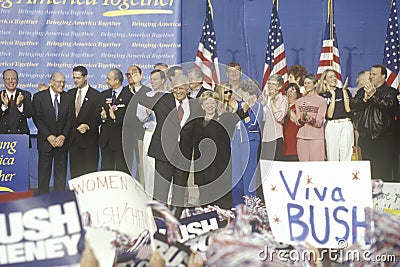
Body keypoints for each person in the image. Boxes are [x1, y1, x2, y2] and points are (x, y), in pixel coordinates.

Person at [138, 74, 196, 218]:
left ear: (188, 89)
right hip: (163, 153)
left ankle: (176, 223)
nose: (178, 91)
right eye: (175, 88)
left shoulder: (195, 104)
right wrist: (137, 83)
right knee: (160, 192)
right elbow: (142, 98)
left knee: (179, 192)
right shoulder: (162, 100)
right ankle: (158, 222)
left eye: (182, 88)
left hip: (183, 154)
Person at [191, 91, 248, 209]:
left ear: (217, 104)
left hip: (220, 168)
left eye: (212, 102)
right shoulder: (196, 123)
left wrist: (248, 102)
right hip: (203, 169)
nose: (209, 105)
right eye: (206, 103)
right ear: (202, 106)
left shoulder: (225, 118)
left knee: (222, 202)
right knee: (205, 202)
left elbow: (240, 114)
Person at [350, 64, 399, 181]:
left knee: (382, 170)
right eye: (370, 74)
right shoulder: (363, 91)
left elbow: (390, 106)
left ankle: (382, 197)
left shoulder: (390, 92)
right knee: (366, 172)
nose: (371, 77)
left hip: (383, 138)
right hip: (365, 137)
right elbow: (353, 105)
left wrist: (374, 95)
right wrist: (365, 99)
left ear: (383, 76)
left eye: (374, 74)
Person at [32, 72, 72, 194]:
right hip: (46, 142)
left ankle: (59, 202)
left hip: (62, 143)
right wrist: (48, 136)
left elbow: (70, 119)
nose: (62, 85)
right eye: (59, 82)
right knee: (44, 175)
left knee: (60, 176)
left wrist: (63, 136)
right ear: (51, 82)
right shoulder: (39, 97)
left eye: (64, 82)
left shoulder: (68, 97)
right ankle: (43, 200)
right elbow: (37, 119)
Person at [231, 79, 263, 206]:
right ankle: (236, 205)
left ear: (252, 95)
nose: (243, 96)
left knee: (249, 174)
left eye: (245, 93)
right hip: (236, 141)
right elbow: (231, 121)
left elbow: (252, 124)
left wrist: (243, 115)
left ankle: (251, 204)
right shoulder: (239, 106)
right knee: (236, 175)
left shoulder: (258, 107)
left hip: (250, 142)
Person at [136, 69, 167, 197]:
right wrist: (146, 113)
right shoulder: (146, 97)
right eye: (151, 79)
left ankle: (165, 197)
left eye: (155, 79)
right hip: (150, 133)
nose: (152, 82)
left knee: (164, 169)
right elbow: (140, 117)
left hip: (166, 136)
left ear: (163, 80)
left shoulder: (169, 96)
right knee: (149, 168)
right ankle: (149, 196)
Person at [68, 66, 100, 179]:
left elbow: (98, 117)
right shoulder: (70, 94)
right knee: (75, 176)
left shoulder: (96, 95)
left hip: (89, 142)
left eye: (78, 78)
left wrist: (88, 126)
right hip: (73, 142)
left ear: (85, 77)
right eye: (74, 78)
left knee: (90, 176)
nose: (75, 80)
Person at [99, 68, 132, 174]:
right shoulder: (103, 95)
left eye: (109, 78)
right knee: (106, 172)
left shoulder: (129, 96)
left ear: (117, 80)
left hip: (121, 141)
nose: (106, 81)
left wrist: (115, 118)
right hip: (106, 141)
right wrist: (103, 117)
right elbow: (99, 115)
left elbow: (130, 118)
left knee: (122, 172)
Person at [317, 69, 353, 161]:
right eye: (330, 77)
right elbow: (329, 115)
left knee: (347, 155)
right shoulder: (322, 96)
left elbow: (348, 109)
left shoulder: (344, 91)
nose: (334, 79)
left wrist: (344, 91)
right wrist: (333, 96)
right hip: (332, 125)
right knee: (332, 155)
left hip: (346, 124)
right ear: (324, 80)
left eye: (334, 76)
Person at [123, 65, 151, 182]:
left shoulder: (147, 91)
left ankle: (142, 188)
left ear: (141, 74)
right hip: (126, 134)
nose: (131, 76)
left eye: (134, 73)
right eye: (128, 74)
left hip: (141, 134)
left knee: (141, 164)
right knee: (125, 163)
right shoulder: (123, 92)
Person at [295, 74, 327, 161]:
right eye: (305, 83)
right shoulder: (299, 101)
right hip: (302, 137)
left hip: (316, 138)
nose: (306, 85)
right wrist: (302, 119)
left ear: (315, 84)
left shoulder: (321, 101)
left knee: (316, 166)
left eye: (309, 83)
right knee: (303, 165)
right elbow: (297, 122)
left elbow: (319, 122)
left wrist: (310, 119)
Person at [259, 74, 288, 160]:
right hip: (264, 137)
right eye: (269, 84)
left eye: (273, 84)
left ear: (279, 86)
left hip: (275, 137)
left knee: (274, 165)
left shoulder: (282, 100)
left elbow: (279, 117)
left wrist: (272, 102)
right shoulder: (264, 98)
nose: (270, 86)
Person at [0, 69, 33, 138]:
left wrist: (20, 105)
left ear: (17, 80)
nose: (11, 81)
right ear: (3, 81)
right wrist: (4, 106)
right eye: (8, 79)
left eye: (13, 78)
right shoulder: (0, 95)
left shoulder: (25, 94)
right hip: (2, 138)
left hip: (21, 138)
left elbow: (29, 114)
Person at [281, 83, 301, 161]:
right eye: (288, 91)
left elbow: (295, 119)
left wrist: (287, 106)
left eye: (292, 90)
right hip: (283, 140)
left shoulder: (299, 105)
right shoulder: (281, 105)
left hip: (294, 140)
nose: (289, 93)